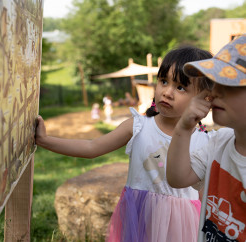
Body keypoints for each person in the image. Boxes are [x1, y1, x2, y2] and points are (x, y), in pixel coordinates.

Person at [35, 45, 213, 242]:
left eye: (180, 87)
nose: (167, 92)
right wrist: (45, 140)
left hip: (182, 227)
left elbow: (206, 195)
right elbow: (92, 147)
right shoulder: (138, 126)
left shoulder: (205, 141)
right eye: (163, 81)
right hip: (138, 219)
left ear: (205, 100)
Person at [167, 35, 246, 242]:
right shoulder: (220, 141)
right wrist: (183, 128)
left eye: (229, 83)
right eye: (214, 82)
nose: (214, 91)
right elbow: (178, 178)